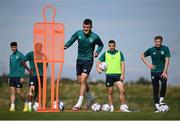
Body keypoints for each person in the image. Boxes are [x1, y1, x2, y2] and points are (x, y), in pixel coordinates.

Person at [64, 18, 104, 111]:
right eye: (84, 27)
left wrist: (97, 52)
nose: (86, 29)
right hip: (79, 60)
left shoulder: (95, 37)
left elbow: (101, 45)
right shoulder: (78, 33)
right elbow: (71, 40)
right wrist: (65, 45)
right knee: (80, 81)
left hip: (88, 61)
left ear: (91, 27)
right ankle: (90, 96)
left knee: (83, 80)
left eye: (88, 27)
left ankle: (79, 103)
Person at [96, 40, 131, 112]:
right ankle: (111, 107)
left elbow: (123, 64)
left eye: (112, 46)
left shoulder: (119, 53)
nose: (111, 47)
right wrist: (98, 69)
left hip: (118, 75)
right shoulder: (105, 54)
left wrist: (122, 74)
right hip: (109, 75)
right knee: (110, 91)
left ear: (115, 46)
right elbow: (98, 62)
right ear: (108, 46)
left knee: (122, 90)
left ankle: (122, 106)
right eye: (110, 46)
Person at [140, 36, 171, 112]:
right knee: (155, 88)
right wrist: (148, 64)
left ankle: (161, 100)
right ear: (154, 41)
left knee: (164, 84)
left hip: (162, 71)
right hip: (154, 72)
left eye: (159, 41)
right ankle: (157, 106)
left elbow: (167, 60)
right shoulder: (151, 49)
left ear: (161, 42)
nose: (157, 43)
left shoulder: (165, 49)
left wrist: (165, 71)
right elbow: (142, 55)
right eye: (156, 41)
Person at [22, 43, 44, 111]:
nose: (39, 48)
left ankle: (36, 105)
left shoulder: (43, 55)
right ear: (35, 47)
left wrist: (44, 69)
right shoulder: (31, 54)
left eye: (40, 47)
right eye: (37, 47)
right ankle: (29, 106)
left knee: (39, 91)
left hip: (40, 75)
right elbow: (22, 61)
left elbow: (46, 63)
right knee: (32, 89)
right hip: (33, 75)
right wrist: (28, 69)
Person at [9, 42, 28, 112]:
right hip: (12, 77)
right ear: (11, 47)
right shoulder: (11, 56)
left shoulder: (20, 55)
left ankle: (25, 102)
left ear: (16, 47)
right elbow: (10, 67)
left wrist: (22, 77)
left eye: (14, 47)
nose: (13, 48)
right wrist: (9, 76)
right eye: (12, 47)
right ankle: (12, 107)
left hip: (18, 76)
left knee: (19, 92)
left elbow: (23, 66)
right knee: (12, 92)